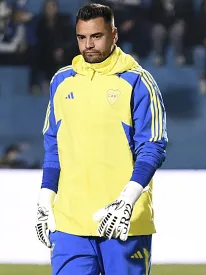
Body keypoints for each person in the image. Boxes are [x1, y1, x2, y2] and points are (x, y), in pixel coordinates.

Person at [34, 4, 167, 275]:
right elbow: (54, 145)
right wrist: (45, 198)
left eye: (96, 36)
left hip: (123, 222)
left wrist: (128, 200)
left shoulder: (138, 81)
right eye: (82, 38)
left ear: (114, 34)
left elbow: (152, 147)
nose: (88, 45)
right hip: (70, 224)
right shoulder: (62, 82)